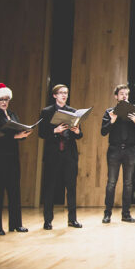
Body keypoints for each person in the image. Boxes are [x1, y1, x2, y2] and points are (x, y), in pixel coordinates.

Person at [0, 82, 32, 235]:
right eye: (1, 99)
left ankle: (16, 224)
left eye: (6, 99)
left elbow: (16, 131)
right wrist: (15, 136)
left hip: (12, 156)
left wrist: (23, 134)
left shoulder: (12, 114)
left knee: (14, 191)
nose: (4, 102)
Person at [38, 84, 83, 229]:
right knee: (50, 188)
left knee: (71, 187)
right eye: (61, 93)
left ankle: (72, 219)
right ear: (54, 95)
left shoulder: (73, 111)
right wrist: (55, 130)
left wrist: (77, 132)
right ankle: (47, 220)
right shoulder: (46, 112)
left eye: (66, 93)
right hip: (53, 154)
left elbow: (80, 134)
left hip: (69, 154)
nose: (64, 95)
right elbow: (41, 133)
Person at [100, 84, 135, 224]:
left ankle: (126, 214)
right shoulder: (110, 112)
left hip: (130, 150)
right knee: (111, 183)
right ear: (116, 96)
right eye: (122, 94)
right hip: (114, 150)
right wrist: (112, 121)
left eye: (126, 94)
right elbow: (103, 132)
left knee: (128, 183)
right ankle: (107, 214)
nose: (124, 96)